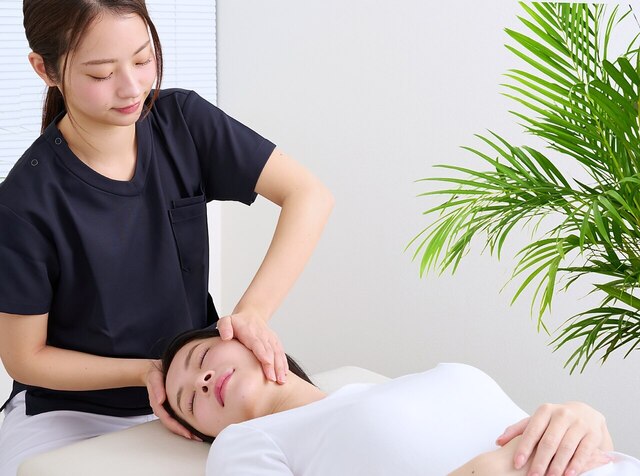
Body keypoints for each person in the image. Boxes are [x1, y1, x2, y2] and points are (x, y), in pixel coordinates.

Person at [0, 1, 333, 473]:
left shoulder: (183, 122)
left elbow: (309, 195)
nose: (132, 87)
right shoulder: (24, 202)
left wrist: (252, 314)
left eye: (142, 59)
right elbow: (26, 359)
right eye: (101, 74)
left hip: (198, 398)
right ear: (44, 69)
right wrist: (148, 372)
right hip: (70, 413)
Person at [162, 328, 640, 476]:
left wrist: (583, 421)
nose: (201, 380)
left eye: (202, 357)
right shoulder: (244, 444)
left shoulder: (387, 385)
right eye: (188, 400)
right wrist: (486, 471)